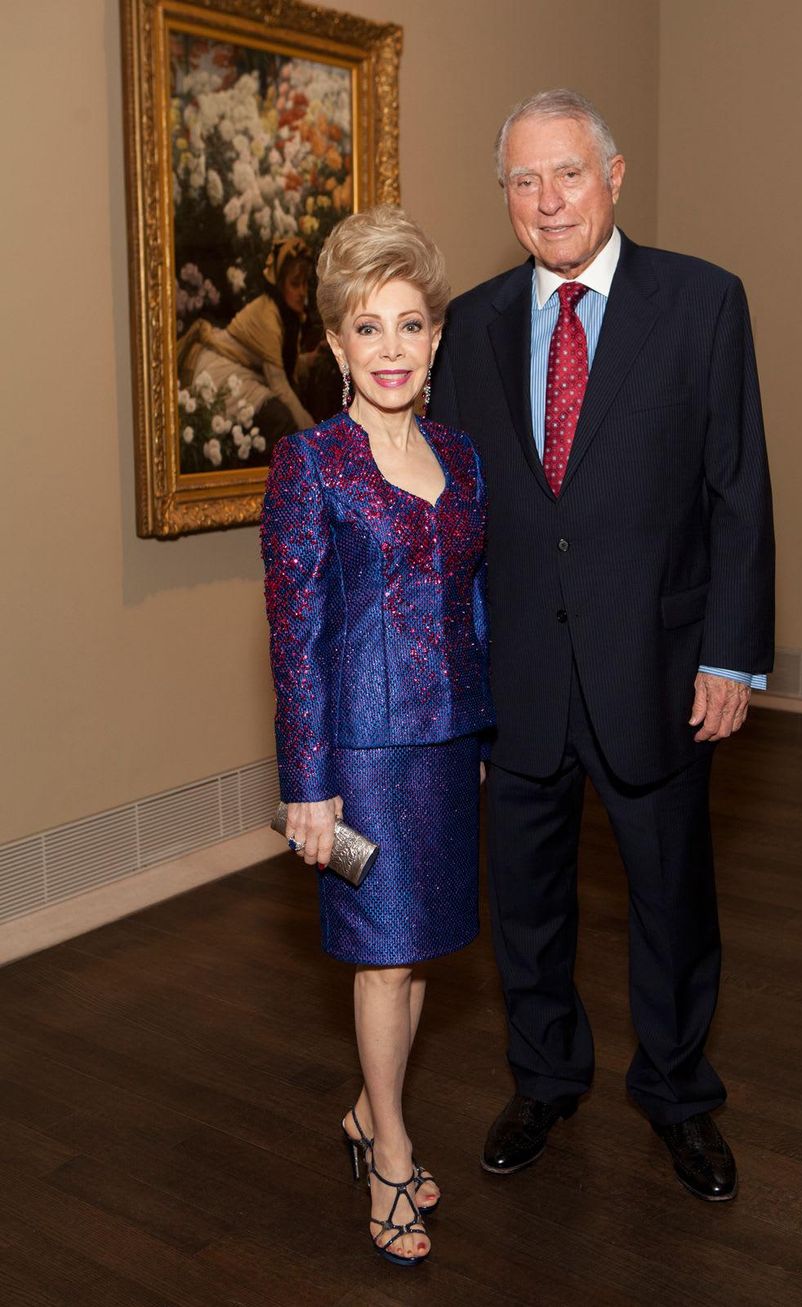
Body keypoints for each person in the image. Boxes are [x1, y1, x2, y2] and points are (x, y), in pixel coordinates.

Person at [430, 90, 774, 1202]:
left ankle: (677, 1095)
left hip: (659, 671)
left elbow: (737, 494)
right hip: (519, 673)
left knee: (671, 898)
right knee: (523, 902)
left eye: (566, 174)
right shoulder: (472, 325)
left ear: (613, 177)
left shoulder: (701, 302)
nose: (546, 200)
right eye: (523, 182)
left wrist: (730, 656)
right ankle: (543, 1078)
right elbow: (462, 513)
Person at [261, 207, 493, 1264]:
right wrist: (306, 786)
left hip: (446, 744)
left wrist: (480, 727)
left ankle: (369, 1106)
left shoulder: (462, 455)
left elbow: (471, 604)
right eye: (368, 327)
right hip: (357, 751)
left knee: (424, 951)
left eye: (408, 325)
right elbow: (295, 635)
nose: (390, 349)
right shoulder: (311, 465)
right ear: (338, 344)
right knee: (380, 956)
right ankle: (390, 1152)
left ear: (435, 336)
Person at [179, 236, 318, 450]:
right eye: (295, 284)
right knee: (279, 417)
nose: (302, 292)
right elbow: (279, 385)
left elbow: (281, 363)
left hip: (245, 369)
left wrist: (310, 360)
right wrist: (317, 438)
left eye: (305, 284)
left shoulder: (287, 314)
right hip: (221, 371)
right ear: (279, 285)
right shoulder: (267, 316)